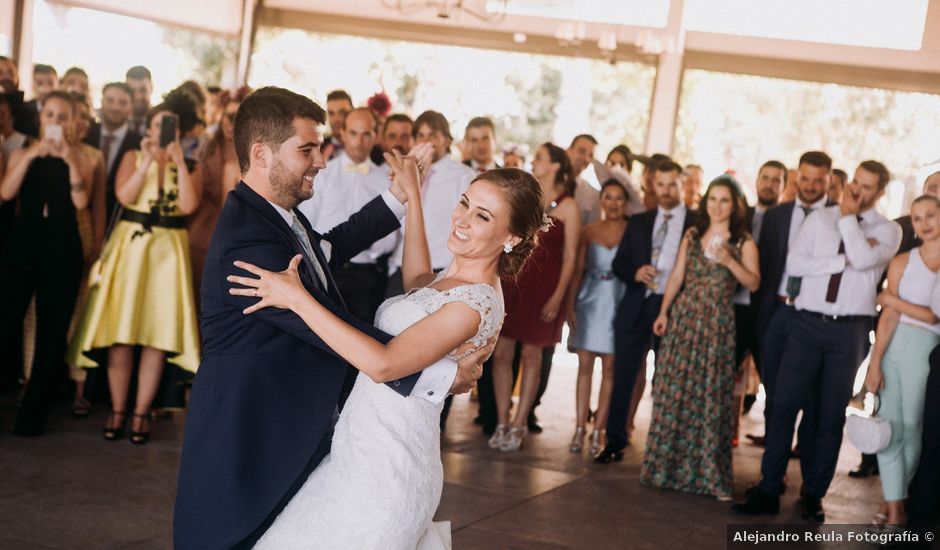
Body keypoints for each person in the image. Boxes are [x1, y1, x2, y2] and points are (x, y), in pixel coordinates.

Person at [172, 87, 487, 550]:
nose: (321, 160)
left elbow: (328, 249)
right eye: (307, 149)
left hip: (290, 422)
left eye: (318, 147)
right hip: (251, 432)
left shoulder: (273, 217)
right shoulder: (248, 243)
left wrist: (397, 197)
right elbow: (323, 325)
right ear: (261, 154)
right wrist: (438, 371)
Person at [242, 159, 545, 550]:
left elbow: (384, 365)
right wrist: (413, 197)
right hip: (360, 454)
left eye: (482, 216)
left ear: (513, 237)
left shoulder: (473, 303)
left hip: (389, 472)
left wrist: (298, 299)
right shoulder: (454, 282)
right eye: (464, 202)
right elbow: (418, 285)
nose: (462, 219)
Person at [735, 160, 900, 522]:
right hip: (805, 323)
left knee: (827, 415)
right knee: (782, 408)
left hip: (849, 331)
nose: (857, 190)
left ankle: (813, 494)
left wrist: (847, 225)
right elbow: (795, 264)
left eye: (867, 186)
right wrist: (843, 259)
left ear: (881, 192)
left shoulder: (889, 231)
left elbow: (864, 256)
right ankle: (768, 488)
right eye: (856, 181)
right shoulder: (817, 219)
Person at [68, 90, 203, 444]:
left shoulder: (189, 164)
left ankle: (141, 412)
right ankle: (117, 408)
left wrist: (176, 160)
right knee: (122, 335)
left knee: (157, 337)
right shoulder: (131, 155)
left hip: (167, 254)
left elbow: (189, 204)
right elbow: (125, 196)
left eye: (168, 126)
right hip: (132, 249)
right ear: (149, 128)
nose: (162, 131)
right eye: (158, 125)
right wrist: (146, 163)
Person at [642, 176, 760, 499]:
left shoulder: (743, 241)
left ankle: (710, 475)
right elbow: (678, 275)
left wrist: (729, 261)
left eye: (724, 200)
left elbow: (754, 283)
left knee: (711, 396)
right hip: (685, 317)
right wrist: (664, 312)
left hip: (717, 322)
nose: (717, 206)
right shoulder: (693, 235)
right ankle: (664, 469)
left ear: (734, 205)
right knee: (673, 390)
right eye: (713, 199)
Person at [0, 90, 92, 434]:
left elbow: (81, 201)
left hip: (62, 246)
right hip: (23, 242)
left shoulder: (82, 157)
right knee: (6, 317)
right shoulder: (23, 152)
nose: (55, 121)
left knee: (52, 329)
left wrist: (68, 160)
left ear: (72, 123)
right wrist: (30, 157)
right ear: (41, 118)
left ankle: (32, 412)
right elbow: (6, 193)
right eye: (50, 115)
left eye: (63, 117)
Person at [595, 159, 695, 464]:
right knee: (623, 375)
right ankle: (614, 441)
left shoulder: (696, 222)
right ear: (653, 185)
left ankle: (665, 448)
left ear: (682, 185)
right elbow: (619, 264)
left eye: (672, 185)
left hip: (675, 308)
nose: (665, 191)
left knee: (669, 381)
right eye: (660, 185)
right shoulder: (639, 221)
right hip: (637, 305)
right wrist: (636, 272)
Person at [489, 142, 581, 452]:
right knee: (501, 353)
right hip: (516, 281)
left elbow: (571, 257)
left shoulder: (570, 206)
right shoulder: (530, 197)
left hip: (546, 288)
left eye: (540, 158)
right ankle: (502, 420)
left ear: (556, 166)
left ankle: (519, 423)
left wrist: (558, 297)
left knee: (532, 356)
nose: (535, 162)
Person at [864, 195, 940, 532]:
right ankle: (895, 511)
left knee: (912, 430)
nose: (924, 224)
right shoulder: (902, 261)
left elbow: (933, 315)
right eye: (917, 218)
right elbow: (889, 316)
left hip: (926, 348)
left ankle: (892, 499)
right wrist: (874, 362)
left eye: (931, 216)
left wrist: (890, 297)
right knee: (888, 428)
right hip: (893, 347)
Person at [746, 153, 831, 448]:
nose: (809, 186)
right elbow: (767, 268)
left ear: (828, 180)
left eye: (817, 180)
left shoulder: (838, 216)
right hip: (777, 311)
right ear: (796, 180)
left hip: (813, 316)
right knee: (774, 393)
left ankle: (807, 477)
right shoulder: (775, 216)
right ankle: (773, 473)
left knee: (810, 395)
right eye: (804, 179)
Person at [566, 179, 628, 456]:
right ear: (601, 201)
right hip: (589, 301)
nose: (612, 203)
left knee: (611, 367)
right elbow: (577, 270)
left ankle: (600, 430)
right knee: (585, 365)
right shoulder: (589, 231)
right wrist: (569, 305)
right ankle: (580, 426)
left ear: (625, 203)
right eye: (608, 197)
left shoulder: (632, 230)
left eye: (618, 198)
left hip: (619, 302)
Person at [188, 87, 250, 303]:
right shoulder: (208, 146)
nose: (229, 123)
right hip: (202, 229)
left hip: (236, 234)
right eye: (227, 116)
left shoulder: (254, 153)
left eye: (237, 117)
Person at [84, 82, 142, 223]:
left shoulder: (140, 144)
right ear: (102, 101)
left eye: (123, 103)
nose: (115, 107)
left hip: (119, 216)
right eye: (110, 100)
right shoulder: (85, 133)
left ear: (131, 106)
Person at [322, 89, 353, 160]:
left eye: (342, 112)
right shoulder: (318, 148)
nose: (336, 119)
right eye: (331, 113)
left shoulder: (373, 151)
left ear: (353, 112)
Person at [125, 66, 153, 137]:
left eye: (143, 90)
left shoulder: (163, 122)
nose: (138, 97)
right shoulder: (114, 122)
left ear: (152, 88)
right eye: (132, 91)